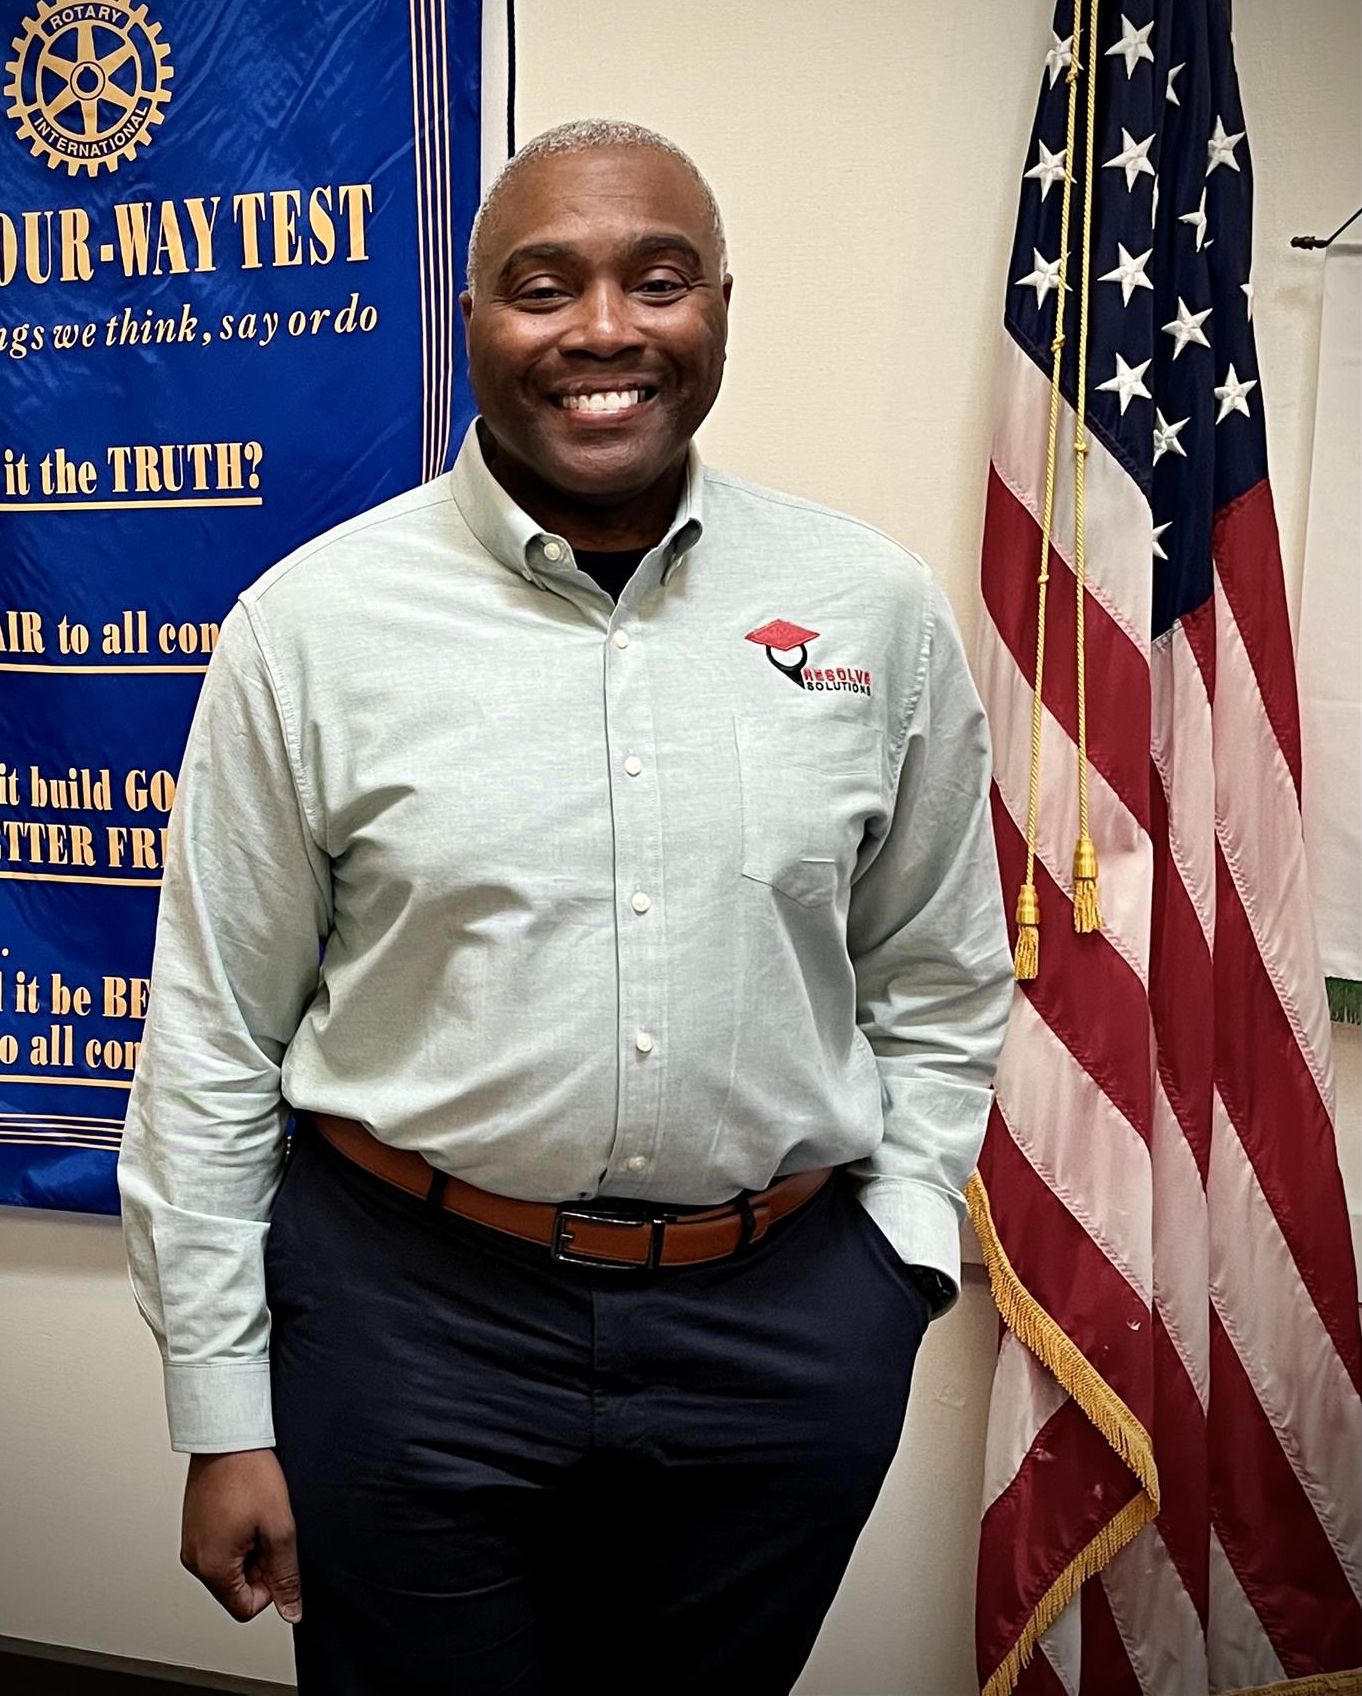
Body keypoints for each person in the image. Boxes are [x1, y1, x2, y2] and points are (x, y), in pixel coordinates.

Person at [118, 119, 1014, 1696]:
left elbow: (938, 972)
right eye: (545, 287)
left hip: (778, 1333)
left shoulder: (872, 608)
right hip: (409, 1326)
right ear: (471, 317)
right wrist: (221, 1407)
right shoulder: (310, 628)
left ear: (719, 307)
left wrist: (895, 1269)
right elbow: (211, 1039)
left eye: (658, 281)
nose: (605, 330)